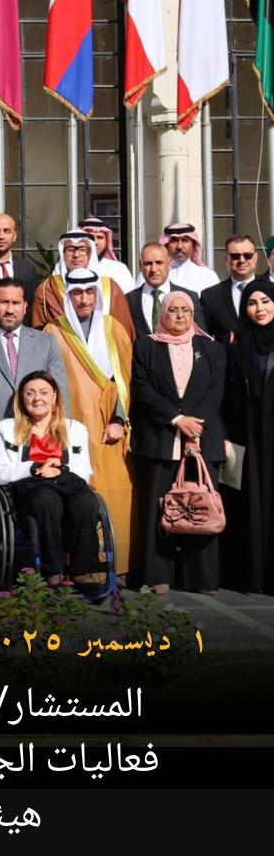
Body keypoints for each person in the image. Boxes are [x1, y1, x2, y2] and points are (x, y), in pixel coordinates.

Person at [130, 292, 226, 594]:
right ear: (163, 313)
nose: (181, 316)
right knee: (159, 508)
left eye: (186, 310)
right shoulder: (146, 346)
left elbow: (215, 390)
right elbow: (143, 388)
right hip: (160, 438)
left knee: (200, 506)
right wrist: (176, 419)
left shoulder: (212, 348)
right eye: (173, 310)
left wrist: (194, 426)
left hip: (202, 438)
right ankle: (158, 574)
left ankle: (201, 577)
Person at [44, 269, 135, 577]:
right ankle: (78, 567)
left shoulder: (113, 329)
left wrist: (119, 419)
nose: (83, 299)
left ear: (97, 294)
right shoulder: (53, 330)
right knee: (75, 497)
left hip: (109, 429)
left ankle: (116, 565)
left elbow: (125, 379)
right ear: (68, 296)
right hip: (67, 429)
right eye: (77, 293)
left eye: (89, 292)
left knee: (116, 493)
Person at [0, 371, 101, 590]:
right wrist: (34, 468)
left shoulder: (76, 429)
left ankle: (81, 572)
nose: (37, 398)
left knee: (86, 502)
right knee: (46, 498)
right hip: (31, 488)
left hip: (67, 482)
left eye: (43, 392)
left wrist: (59, 468)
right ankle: (53, 572)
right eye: (30, 393)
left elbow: (85, 471)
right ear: (22, 398)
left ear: (55, 396)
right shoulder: (7, 429)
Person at [0, 278, 70, 465]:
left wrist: (61, 431)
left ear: (25, 307)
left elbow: (60, 390)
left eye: (16, 303)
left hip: (40, 440)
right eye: (4, 302)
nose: (10, 309)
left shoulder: (46, 342)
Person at [223, 279, 274, 594]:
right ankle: (252, 576)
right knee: (248, 506)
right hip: (247, 438)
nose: (260, 309)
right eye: (253, 303)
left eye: (266, 301)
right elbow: (225, 397)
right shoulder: (236, 348)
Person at [31, 230, 134, 338]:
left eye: (82, 249)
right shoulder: (47, 289)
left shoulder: (111, 287)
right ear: (63, 253)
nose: (76, 255)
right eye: (70, 250)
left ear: (90, 254)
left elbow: (125, 333)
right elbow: (38, 333)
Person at [126, 241, 203, 336]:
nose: (153, 269)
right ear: (140, 265)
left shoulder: (189, 297)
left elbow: (200, 336)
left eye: (159, 263)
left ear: (169, 263)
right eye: (148, 264)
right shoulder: (127, 300)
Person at [201, 234, 259, 344]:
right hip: (225, 354)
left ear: (256, 258)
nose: (242, 260)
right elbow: (204, 338)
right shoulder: (210, 296)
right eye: (235, 256)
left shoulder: (271, 290)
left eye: (248, 255)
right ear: (226, 259)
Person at [150, 221, 220, 293]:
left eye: (185, 240)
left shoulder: (208, 276)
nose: (179, 247)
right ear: (166, 245)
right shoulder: (152, 274)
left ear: (194, 244)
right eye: (174, 241)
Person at [0, 212, 36, 306]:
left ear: (14, 236)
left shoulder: (27, 268)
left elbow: (31, 304)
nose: (1, 236)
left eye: (7, 231)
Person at [80, 216, 134, 293]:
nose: (95, 242)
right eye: (91, 237)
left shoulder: (119, 269)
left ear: (107, 241)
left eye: (100, 237)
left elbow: (129, 298)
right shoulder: (67, 267)